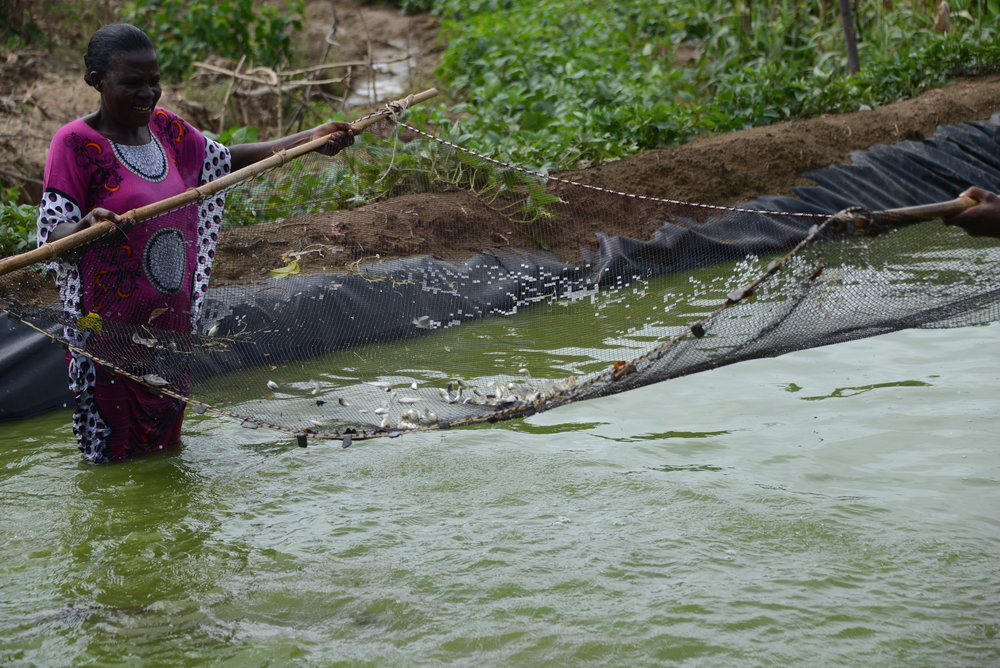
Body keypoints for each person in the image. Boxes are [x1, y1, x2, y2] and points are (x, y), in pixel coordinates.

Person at [37, 23, 354, 464]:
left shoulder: (167, 130)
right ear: (97, 81)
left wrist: (308, 139)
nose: (148, 93)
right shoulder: (74, 144)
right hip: (107, 338)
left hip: (171, 332)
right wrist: (87, 224)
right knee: (111, 461)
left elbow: (224, 159)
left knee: (166, 455)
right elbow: (51, 232)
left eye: (154, 81)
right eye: (133, 83)